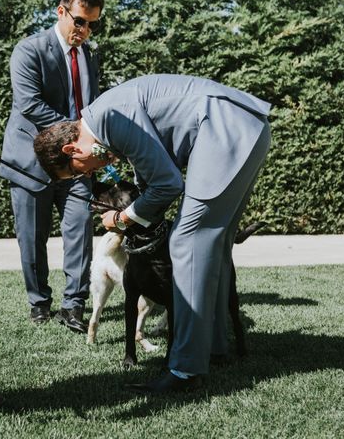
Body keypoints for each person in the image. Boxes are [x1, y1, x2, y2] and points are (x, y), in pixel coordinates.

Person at [33, 74, 271, 394]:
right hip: (243, 126)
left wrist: (121, 218)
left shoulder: (109, 118)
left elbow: (168, 183)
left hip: (225, 127)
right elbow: (150, 172)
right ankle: (214, 349)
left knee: (186, 242)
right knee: (213, 243)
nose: (88, 174)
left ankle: (185, 370)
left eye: (77, 170)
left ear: (71, 148)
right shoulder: (107, 119)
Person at [0, 0, 104, 333]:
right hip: (32, 163)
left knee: (79, 232)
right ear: (61, 11)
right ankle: (39, 302)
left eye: (92, 24)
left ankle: (74, 304)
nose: (85, 31)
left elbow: (93, 106)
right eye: (80, 21)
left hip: (77, 165)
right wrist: (78, 129)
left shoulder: (90, 55)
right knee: (32, 237)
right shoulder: (29, 50)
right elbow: (28, 104)